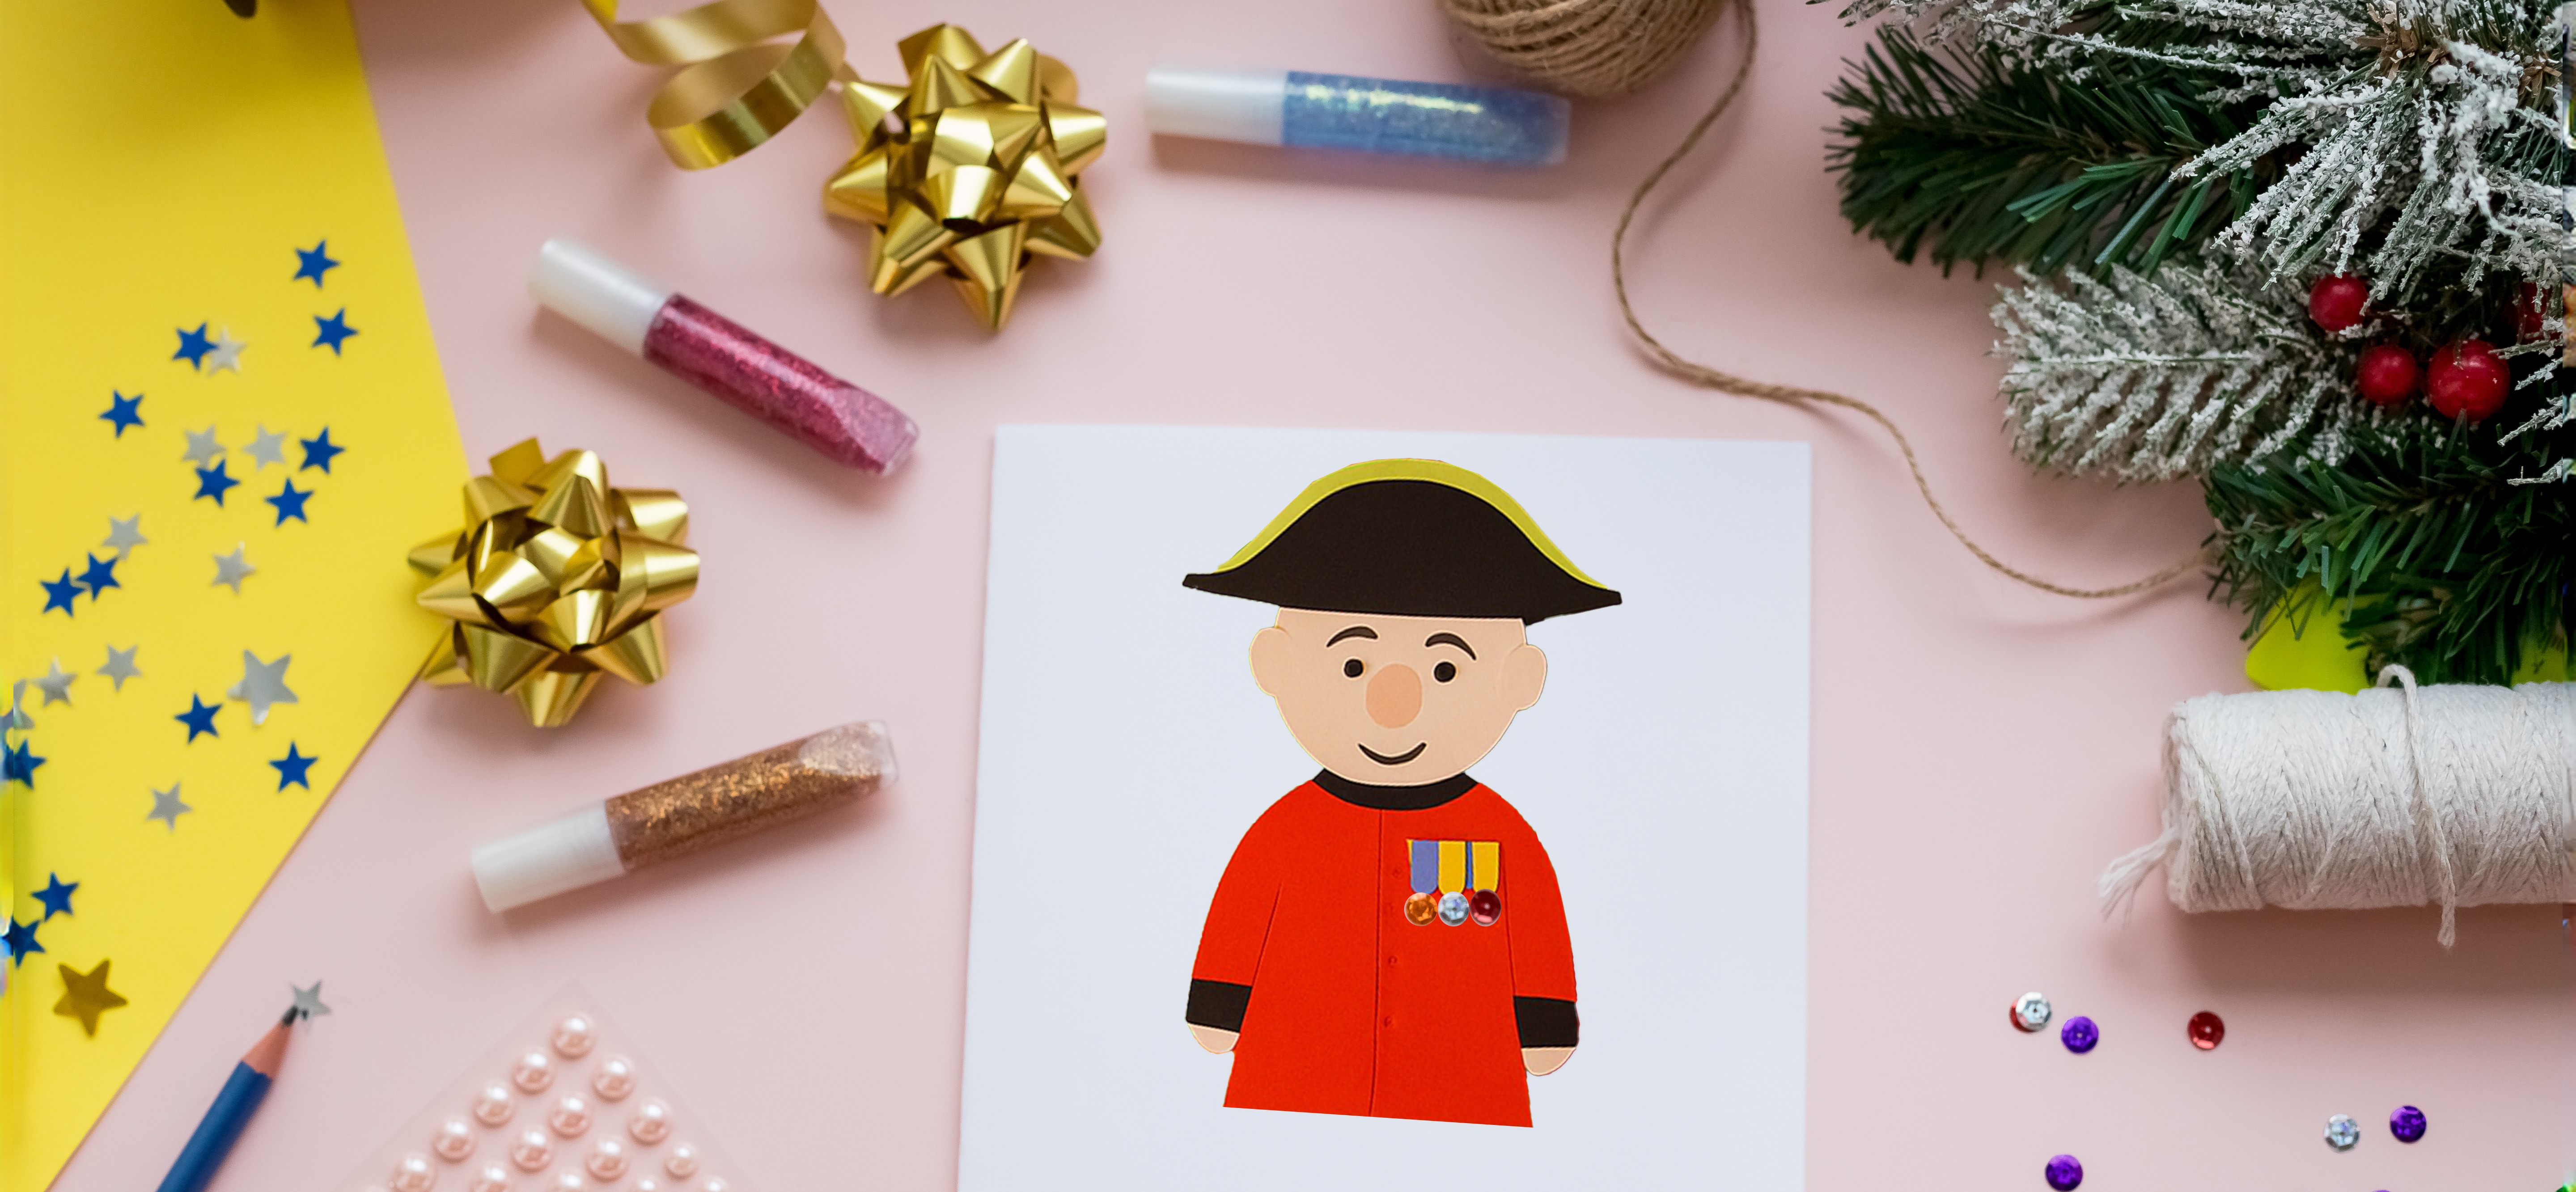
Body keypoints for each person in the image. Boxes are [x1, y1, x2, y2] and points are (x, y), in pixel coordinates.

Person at [1180, 458, 1620, 1128]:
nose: (1395, 703)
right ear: (1276, 665)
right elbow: (1242, 909)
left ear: (1520, 680)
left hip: (1462, 1092)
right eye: (1352, 663)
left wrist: (1544, 1018)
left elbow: (1533, 927)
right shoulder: (1284, 828)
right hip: (1294, 1088)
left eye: (1446, 667)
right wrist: (1218, 1004)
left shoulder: (1503, 834)